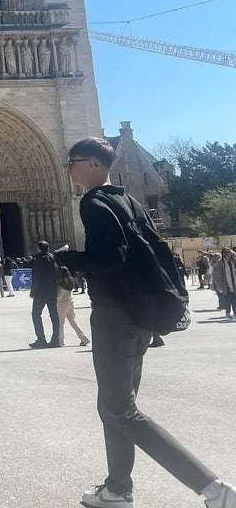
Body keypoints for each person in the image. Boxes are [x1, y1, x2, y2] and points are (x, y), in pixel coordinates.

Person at [59, 137, 235, 508]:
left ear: (91, 164)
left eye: (71, 162)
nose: (69, 169)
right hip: (141, 315)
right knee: (117, 406)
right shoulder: (128, 200)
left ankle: (212, 488)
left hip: (115, 315)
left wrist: (70, 259)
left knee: (121, 410)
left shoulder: (94, 201)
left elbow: (110, 258)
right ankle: (117, 489)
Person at [29, 241, 61, 349]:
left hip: (41, 292)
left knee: (36, 314)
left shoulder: (38, 260)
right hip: (52, 291)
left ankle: (41, 340)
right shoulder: (53, 258)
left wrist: (33, 292)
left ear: (38, 249)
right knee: (54, 315)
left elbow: (36, 277)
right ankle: (56, 339)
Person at [56, 266, 89, 347]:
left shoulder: (61, 285)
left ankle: (60, 340)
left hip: (61, 305)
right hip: (70, 303)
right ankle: (84, 338)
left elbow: (58, 297)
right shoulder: (71, 281)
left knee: (60, 323)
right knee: (73, 322)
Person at [212, 248, 236, 319]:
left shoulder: (233, 261)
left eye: (230, 252)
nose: (229, 254)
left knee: (234, 299)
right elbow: (218, 275)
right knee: (228, 299)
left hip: (233, 283)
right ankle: (228, 312)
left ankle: (234, 313)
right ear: (224, 254)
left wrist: (232, 252)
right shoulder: (220, 262)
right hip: (225, 284)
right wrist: (218, 285)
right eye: (228, 252)